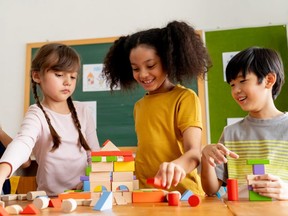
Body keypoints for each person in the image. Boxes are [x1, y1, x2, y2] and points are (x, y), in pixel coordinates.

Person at [102, 20, 211, 195]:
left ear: (168, 61)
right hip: (147, 193)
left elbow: (194, 153)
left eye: (151, 65)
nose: (143, 74)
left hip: (183, 195)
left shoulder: (184, 98)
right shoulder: (139, 106)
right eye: (135, 68)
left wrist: (177, 165)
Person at [0, 43, 100, 196]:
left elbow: (94, 155)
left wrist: (97, 188)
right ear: (37, 76)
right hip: (49, 201)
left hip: (84, 197)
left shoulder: (83, 111)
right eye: (59, 75)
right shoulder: (36, 113)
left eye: (73, 76)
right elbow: (22, 143)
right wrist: (2, 172)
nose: (68, 81)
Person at [201, 46, 288, 200]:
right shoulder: (231, 132)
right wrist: (206, 158)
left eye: (242, 81)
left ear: (269, 80)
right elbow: (211, 190)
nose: (236, 90)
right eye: (232, 84)